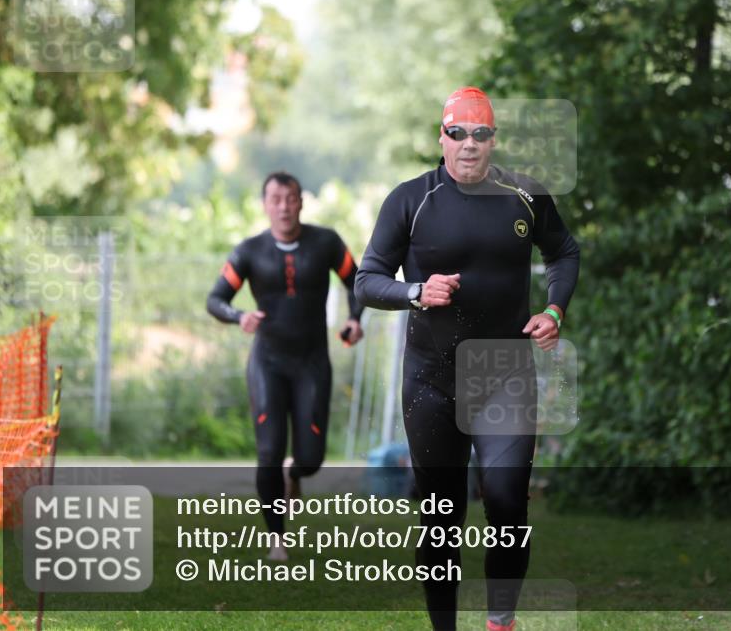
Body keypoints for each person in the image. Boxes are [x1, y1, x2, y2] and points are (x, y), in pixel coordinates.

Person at [355, 87, 580, 631]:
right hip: (431, 379)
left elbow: (564, 252)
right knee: (441, 519)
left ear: (493, 138)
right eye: (458, 133)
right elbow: (367, 280)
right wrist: (415, 292)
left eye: (480, 134)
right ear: (442, 137)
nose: (469, 145)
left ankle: (500, 621)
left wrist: (554, 309)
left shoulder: (524, 196)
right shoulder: (411, 200)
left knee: (506, 504)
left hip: (504, 377)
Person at [207, 171, 364, 560]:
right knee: (268, 453)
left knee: (311, 459)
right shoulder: (248, 251)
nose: (283, 206)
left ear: (301, 202)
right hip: (268, 363)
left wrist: (354, 319)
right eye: (275, 199)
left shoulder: (326, 242)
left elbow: (356, 281)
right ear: (265, 205)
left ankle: (295, 475)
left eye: (290, 198)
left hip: (312, 363)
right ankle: (277, 538)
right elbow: (215, 298)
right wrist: (236, 316)